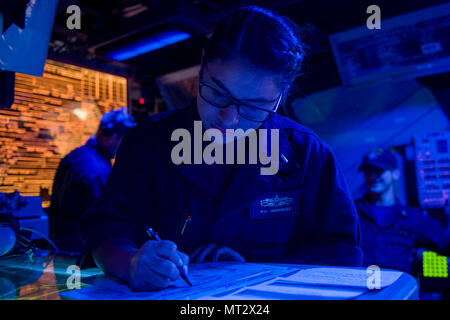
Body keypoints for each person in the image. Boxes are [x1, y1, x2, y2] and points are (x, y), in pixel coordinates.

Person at [79, 6, 362, 291]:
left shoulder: (307, 154)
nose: (228, 119)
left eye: (253, 106)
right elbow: (106, 229)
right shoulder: (148, 142)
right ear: (202, 64)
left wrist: (257, 272)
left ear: (279, 99)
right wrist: (131, 263)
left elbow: (340, 249)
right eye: (217, 92)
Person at [49, 108, 136, 252]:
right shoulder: (97, 172)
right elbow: (104, 220)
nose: (124, 146)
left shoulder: (77, 156)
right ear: (108, 134)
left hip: (62, 246)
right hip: (80, 250)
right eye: (122, 139)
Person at [355, 147, 450, 274]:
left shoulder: (412, 217)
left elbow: (445, 243)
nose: (372, 176)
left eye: (378, 170)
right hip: (359, 289)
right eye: (368, 171)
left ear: (395, 174)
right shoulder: (352, 212)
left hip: (395, 291)